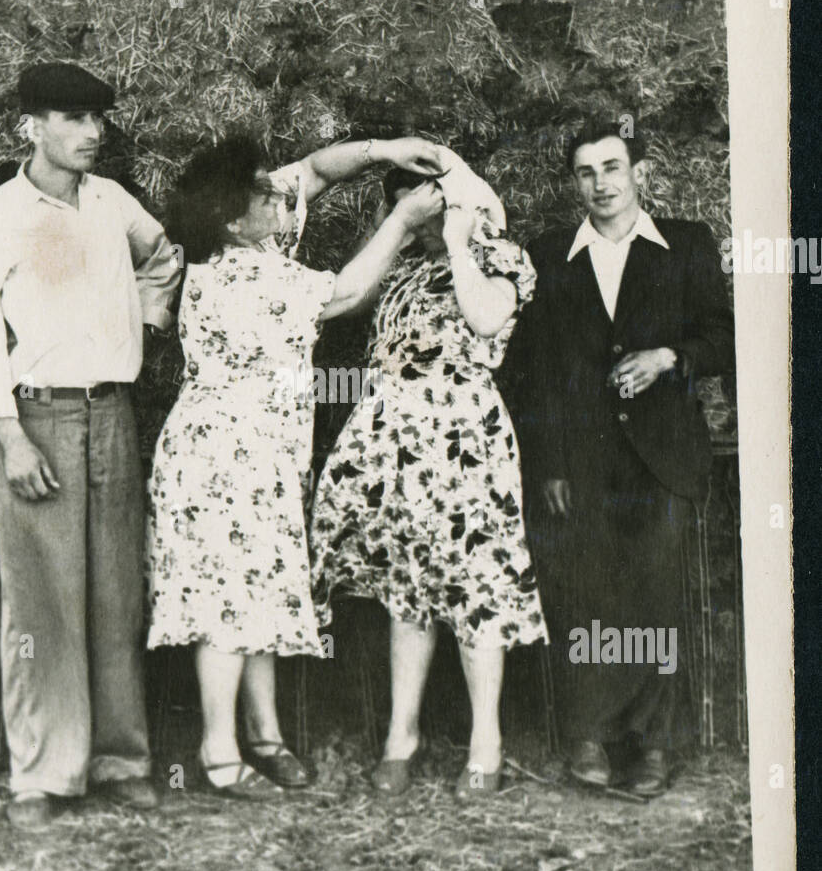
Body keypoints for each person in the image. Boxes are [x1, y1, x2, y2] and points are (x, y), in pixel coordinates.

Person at [145, 131, 446, 799]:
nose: (278, 192)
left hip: (259, 453)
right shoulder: (243, 273)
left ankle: (265, 737)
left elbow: (311, 170)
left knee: (257, 589)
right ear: (232, 217)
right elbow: (343, 296)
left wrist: (383, 151)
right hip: (222, 457)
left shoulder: (254, 236)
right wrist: (400, 220)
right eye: (262, 191)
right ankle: (219, 755)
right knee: (227, 600)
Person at [0, 62, 181, 830]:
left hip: (112, 415)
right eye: (74, 119)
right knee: (43, 600)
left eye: (98, 121)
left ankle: (121, 759)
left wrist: (146, 324)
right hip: (36, 421)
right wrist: (9, 435)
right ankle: (43, 773)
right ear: (32, 127)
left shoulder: (113, 202)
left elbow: (164, 258)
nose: (93, 134)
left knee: (117, 591)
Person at [309, 148, 548, 799]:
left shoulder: (501, 259)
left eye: (429, 196)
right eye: (404, 200)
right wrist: (399, 226)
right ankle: (400, 737)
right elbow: (350, 296)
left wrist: (458, 237)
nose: (418, 211)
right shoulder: (399, 270)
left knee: (475, 591)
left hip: (464, 441)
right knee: (406, 589)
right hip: (395, 440)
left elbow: (486, 319)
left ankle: (485, 742)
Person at [508, 121, 734, 797]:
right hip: (577, 458)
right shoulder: (548, 254)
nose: (600, 183)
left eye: (612, 167)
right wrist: (546, 462)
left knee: (656, 597)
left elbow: (723, 334)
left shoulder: (686, 244)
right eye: (585, 172)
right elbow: (532, 370)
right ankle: (588, 737)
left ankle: (653, 748)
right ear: (573, 182)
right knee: (584, 594)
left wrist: (670, 357)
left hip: (661, 453)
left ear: (639, 170)